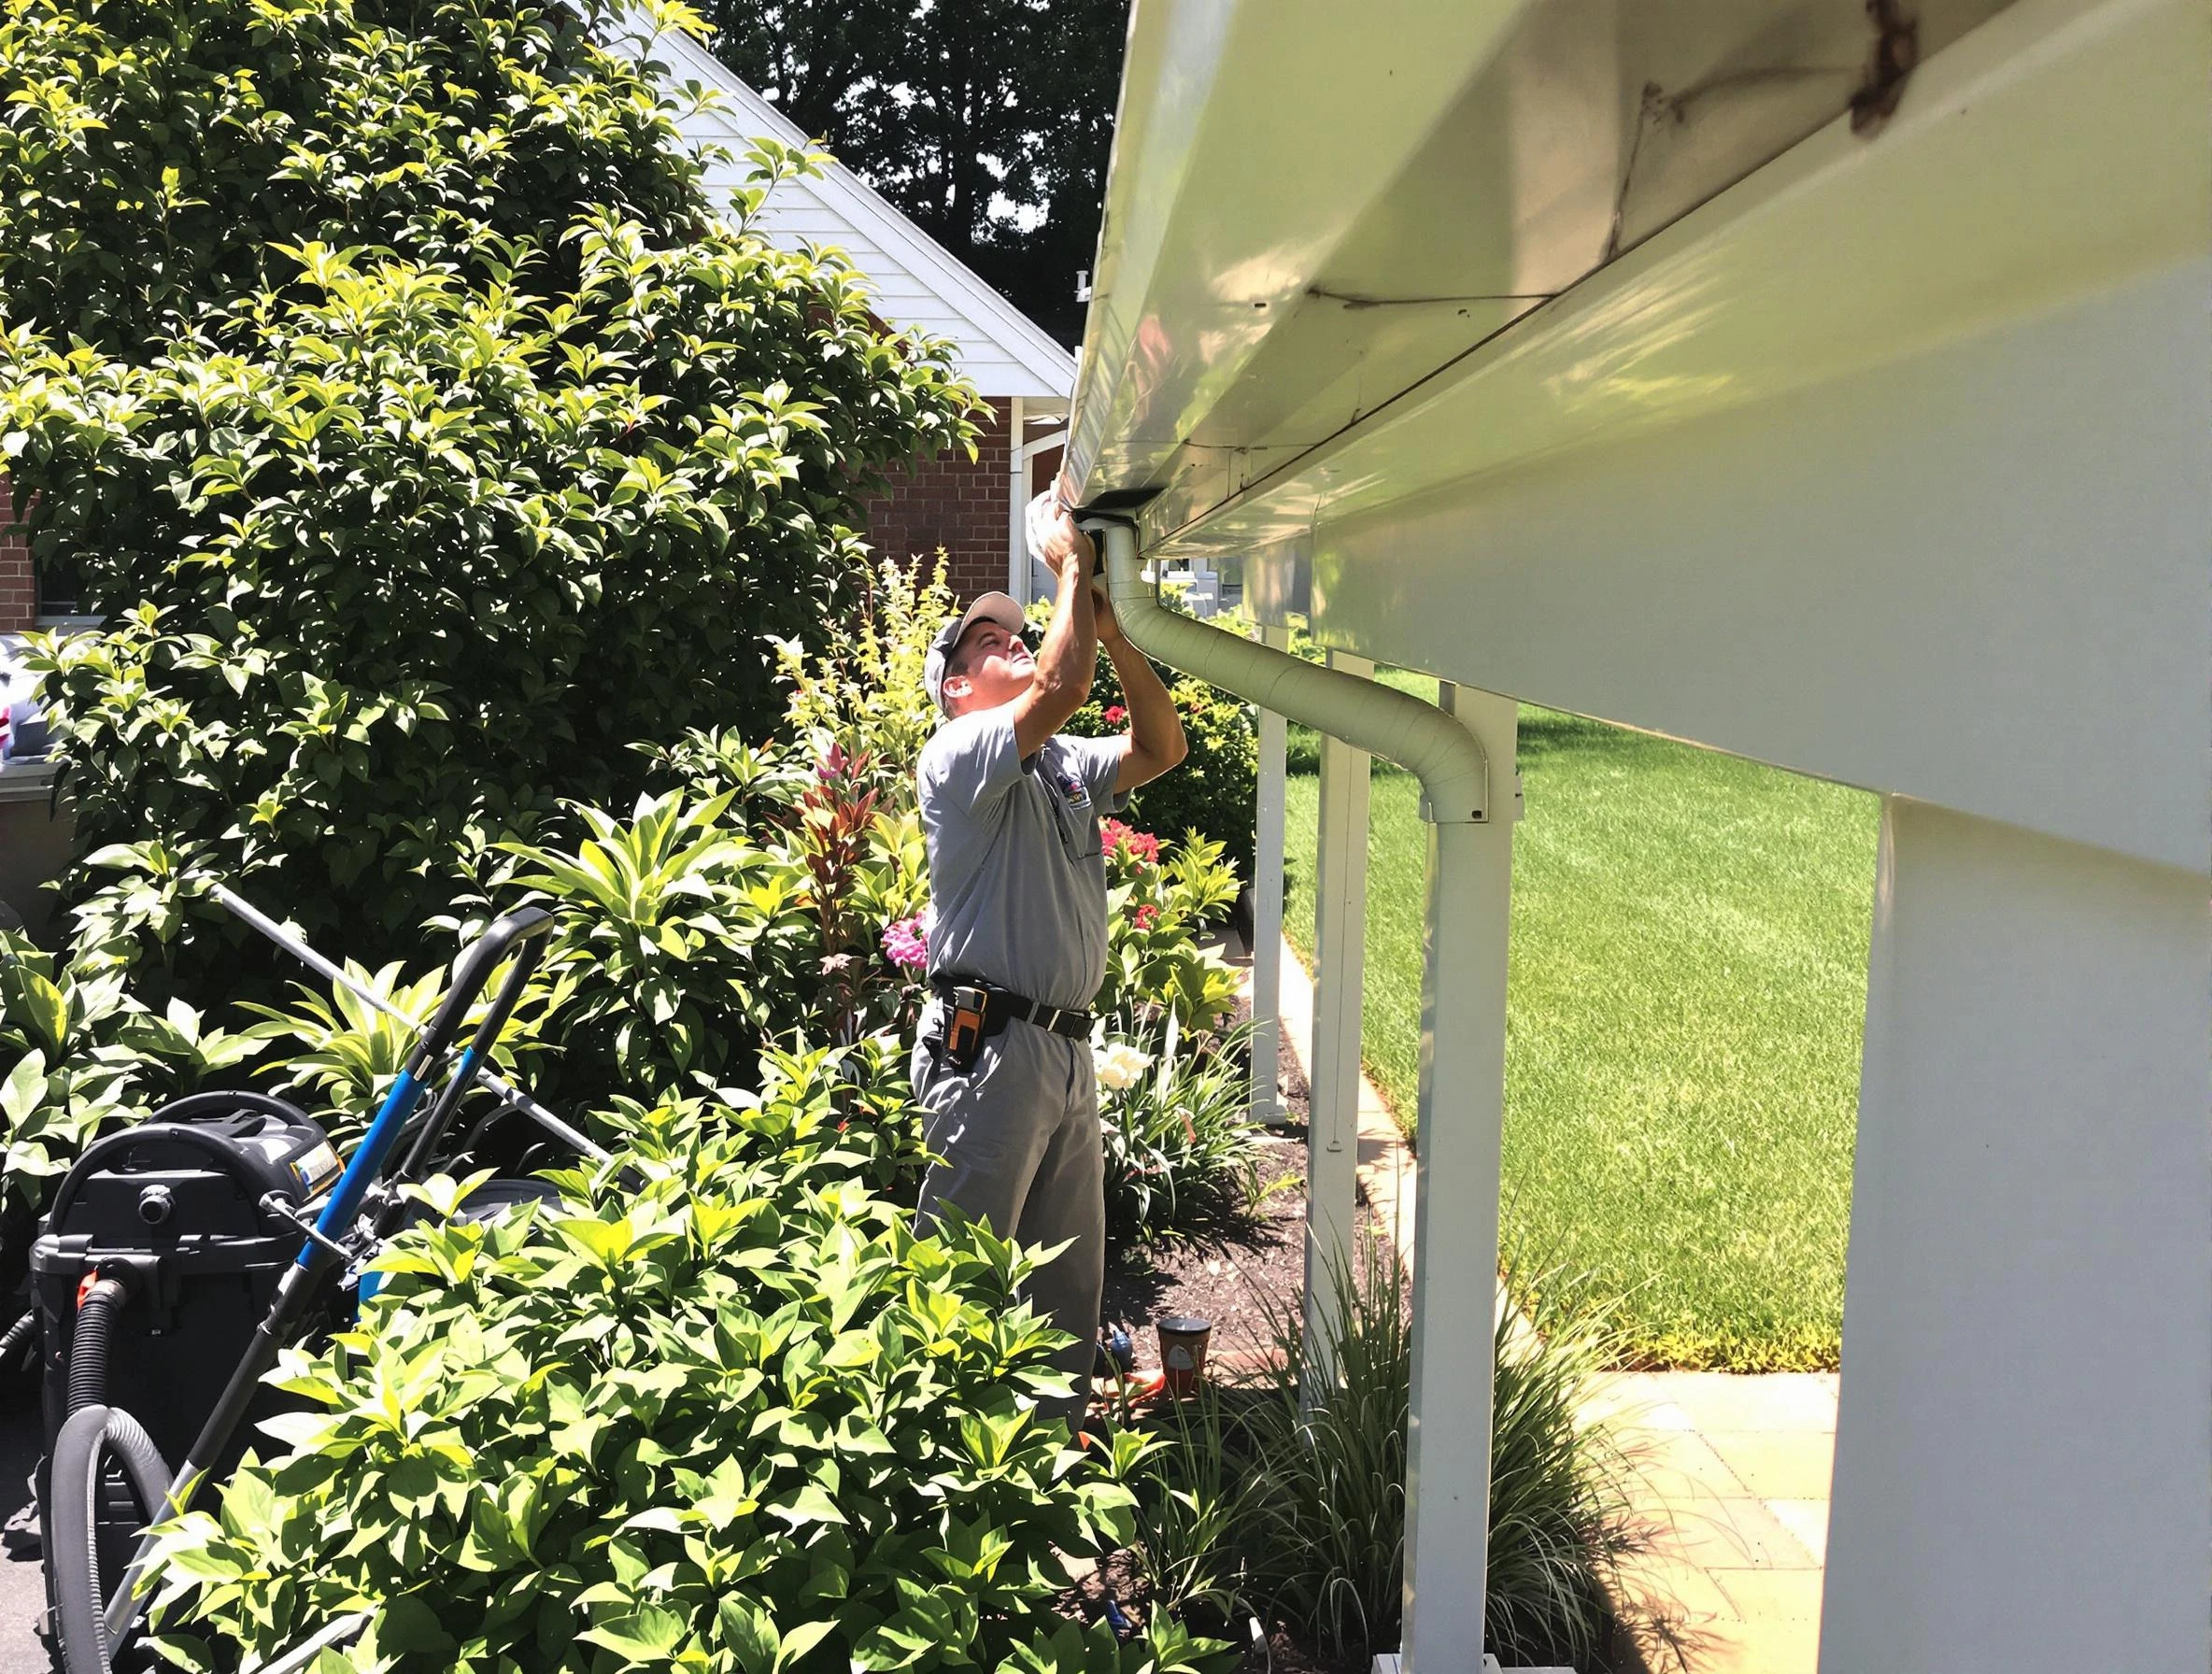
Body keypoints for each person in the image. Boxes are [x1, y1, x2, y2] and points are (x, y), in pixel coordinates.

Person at [912, 497, 1186, 1431]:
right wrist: (1071, 568)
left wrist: (1115, 633)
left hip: (1063, 1051)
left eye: (1016, 629)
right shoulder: (953, 754)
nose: (1013, 638)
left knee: (1064, 1288)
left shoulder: (1063, 764)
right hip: (985, 1046)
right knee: (965, 1278)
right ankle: (946, 1485)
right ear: (954, 687)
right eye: (987, 639)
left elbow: (1162, 746)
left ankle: (1043, 1485)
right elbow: (1060, 689)